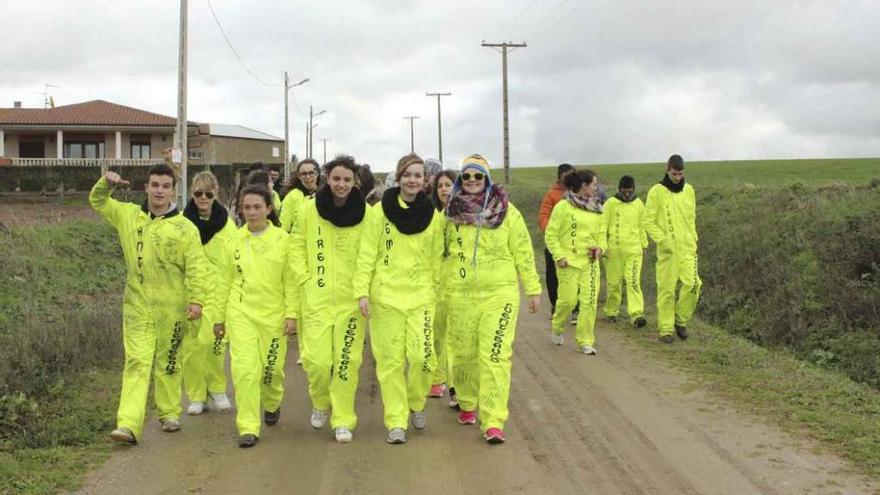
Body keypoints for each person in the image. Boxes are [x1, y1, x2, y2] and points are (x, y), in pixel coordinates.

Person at [89, 165, 210, 445]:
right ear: (146, 187)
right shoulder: (128, 215)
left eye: (165, 186)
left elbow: (197, 268)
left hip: (174, 307)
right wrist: (105, 184)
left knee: (168, 361)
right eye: (155, 185)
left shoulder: (185, 228)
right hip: (137, 305)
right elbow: (98, 201)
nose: (159, 191)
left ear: (172, 190)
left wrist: (196, 300)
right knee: (137, 361)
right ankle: (128, 424)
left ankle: (169, 413)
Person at [444, 154, 541, 444]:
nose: (472, 181)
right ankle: (468, 401)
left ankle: (494, 420)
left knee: (495, 355)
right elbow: (437, 253)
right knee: (463, 355)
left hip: (500, 294)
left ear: (487, 179)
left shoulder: (507, 213)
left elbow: (523, 251)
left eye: (478, 176)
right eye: (467, 177)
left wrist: (532, 287)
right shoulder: (449, 214)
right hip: (460, 294)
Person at [354, 154, 442, 445]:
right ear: (398, 176)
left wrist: (438, 292)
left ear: (424, 180)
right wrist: (362, 291)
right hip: (386, 297)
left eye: (418, 175)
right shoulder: (379, 213)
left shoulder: (434, 217)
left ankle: (416, 402)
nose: (412, 180)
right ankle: (395, 420)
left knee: (422, 358)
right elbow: (367, 253)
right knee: (390, 362)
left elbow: (437, 259)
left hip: (421, 297)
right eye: (407, 174)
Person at [290, 155, 369, 444]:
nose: (341, 184)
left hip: (350, 302)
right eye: (336, 178)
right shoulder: (308, 209)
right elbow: (296, 243)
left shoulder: (367, 214)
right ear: (327, 178)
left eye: (347, 179)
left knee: (347, 361)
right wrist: (304, 278)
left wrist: (362, 290)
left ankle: (343, 419)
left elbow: (369, 254)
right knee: (318, 362)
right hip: (317, 300)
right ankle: (320, 401)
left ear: (355, 182)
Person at [213, 185, 296, 448]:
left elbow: (291, 281)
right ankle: (248, 426)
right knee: (245, 371)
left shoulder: (284, 240)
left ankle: (272, 403)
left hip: (273, 316)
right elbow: (223, 281)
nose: (251, 212)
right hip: (241, 313)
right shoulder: (233, 241)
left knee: (270, 371)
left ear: (269, 209)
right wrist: (218, 317)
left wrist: (292, 314)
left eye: (257, 207)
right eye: (246, 207)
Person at [180, 172, 237, 416]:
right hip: (191, 291)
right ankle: (196, 395)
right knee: (192, 347)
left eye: (208, 194)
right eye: (198, 193)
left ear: (216, 195)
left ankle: (217, 389)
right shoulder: (182, 223)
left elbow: (236, 257)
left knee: (216, 343)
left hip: (219, 292)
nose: (203, 198)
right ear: (192, 194)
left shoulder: (227, 224)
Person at [544, 169, 607, 355]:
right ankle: (557, 325)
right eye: (594, 184)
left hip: (590, 263)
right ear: (583, 186)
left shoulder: (598, 209)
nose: (596, 188)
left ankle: (585, 341)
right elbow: (551, 234)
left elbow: (603, 237)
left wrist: (600, 249)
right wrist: (559, 255)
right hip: (568, 262)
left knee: (589, 302)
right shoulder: (563, 207)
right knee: (568, 301)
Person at [643, 154, 702, 343]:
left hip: (687, 248)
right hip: (668, 250)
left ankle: (680, 320)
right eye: (674, 174)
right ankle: (666, 329)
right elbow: (648, 221)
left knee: (694, 284)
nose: (677, 177)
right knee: (667, 289)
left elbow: (691, 218)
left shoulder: (689, 190)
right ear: (668, 170)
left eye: (680, 174)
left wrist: (694, 239)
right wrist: (663, 240)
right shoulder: (656, 191)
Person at [428, 170, 458, 407]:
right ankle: (436, 379)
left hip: (460, 285)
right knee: (436, 334)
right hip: (436, 284)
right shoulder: (432, 217)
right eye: (440, 186)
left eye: (449, 184)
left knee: (457, 338)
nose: (444, 189)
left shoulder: (467, 216)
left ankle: (456, 384)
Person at [602, 175, 648, 328]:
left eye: (630, 191)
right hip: (613, 251)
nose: (627, 194)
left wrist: (644, 245)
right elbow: (602, 227)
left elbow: (642, 227)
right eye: (624, 191)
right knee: (614, 283)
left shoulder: (639, 204)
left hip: (634, 250)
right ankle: (611, 311)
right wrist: (602, 246)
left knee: (633, 281)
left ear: (634, 189)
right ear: (619, 189)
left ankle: (636, 314)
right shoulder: (610, 204)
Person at [538, 164, 576, 318]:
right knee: (552, 275)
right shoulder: (551, 195)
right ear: (559, 177)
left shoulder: (579, 194)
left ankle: (575, 308)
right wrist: (551, 234)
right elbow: (543, 216)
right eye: (567, 176)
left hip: (573, 243)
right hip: (554, 243)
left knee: (575, 275)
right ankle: (555, 305)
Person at [280, 159, 320, 233]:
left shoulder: (325, 195)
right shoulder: (292, 197)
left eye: (311, 173)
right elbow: (283, 227)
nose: (308, 177)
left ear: (317, 174)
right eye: (304, 174)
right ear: (299, 176)